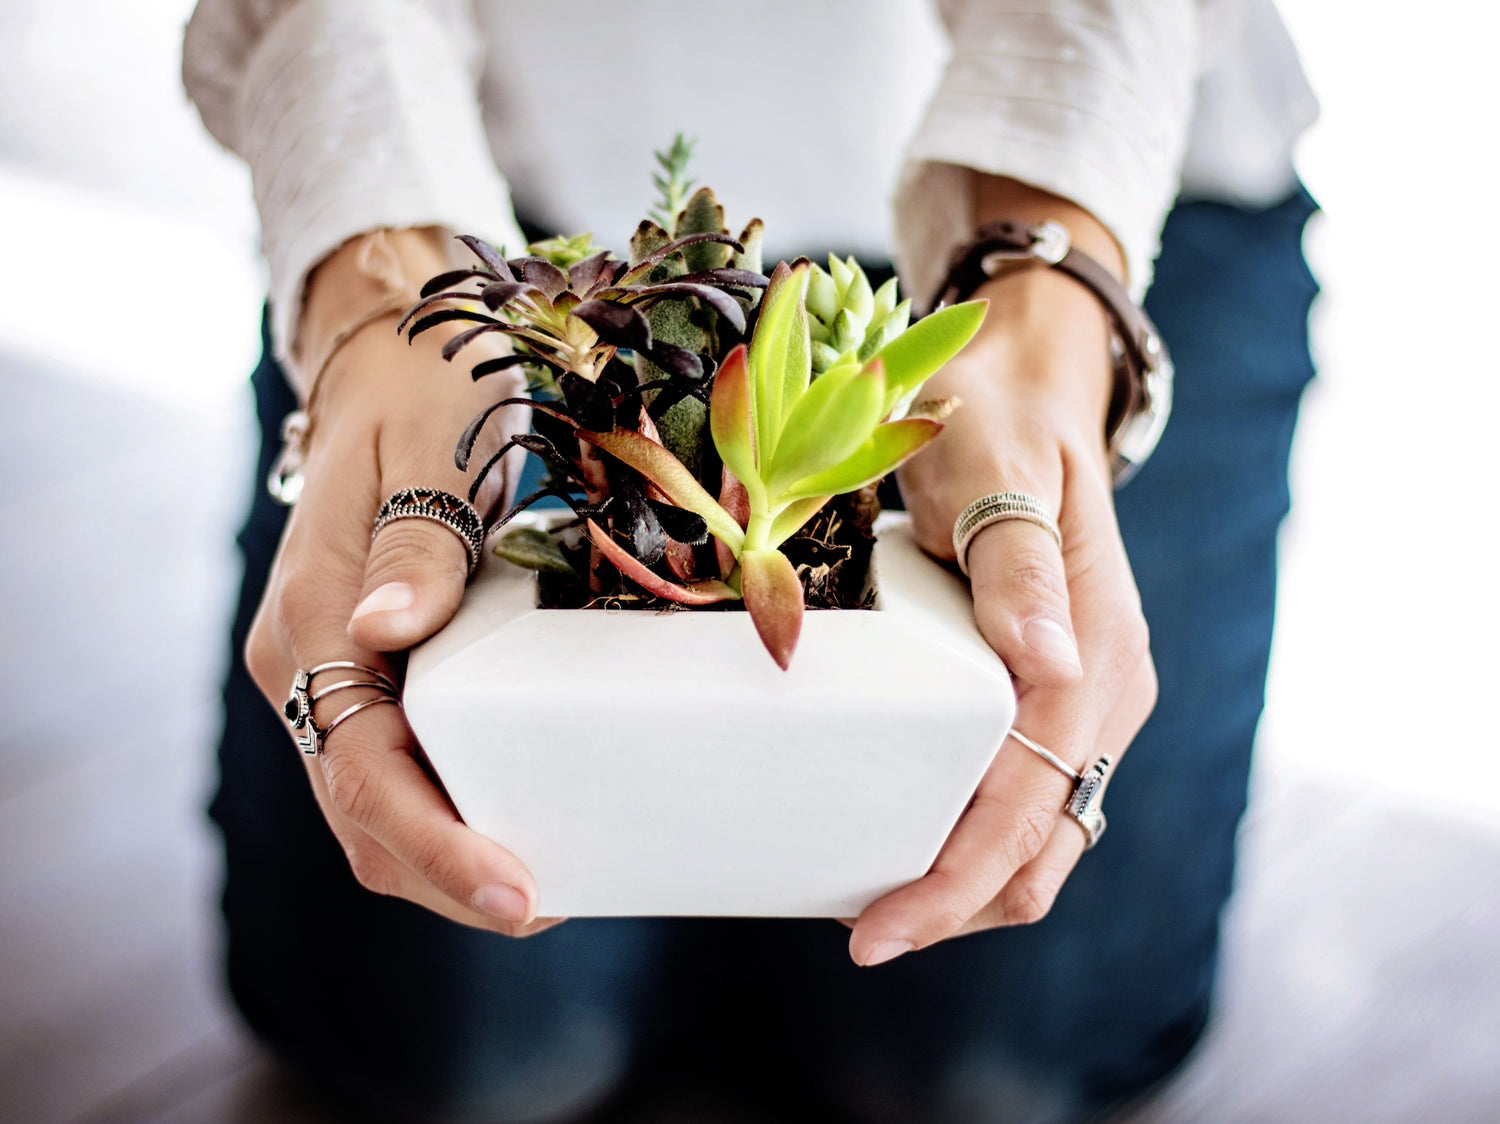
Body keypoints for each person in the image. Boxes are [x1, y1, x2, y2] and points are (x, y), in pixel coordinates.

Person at [184, 1, 1320, 1120]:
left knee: (983, 1069)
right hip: (517, 239)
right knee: (464, 1057)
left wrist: (1046, 280)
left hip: (1103, 204)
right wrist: (375, 281)